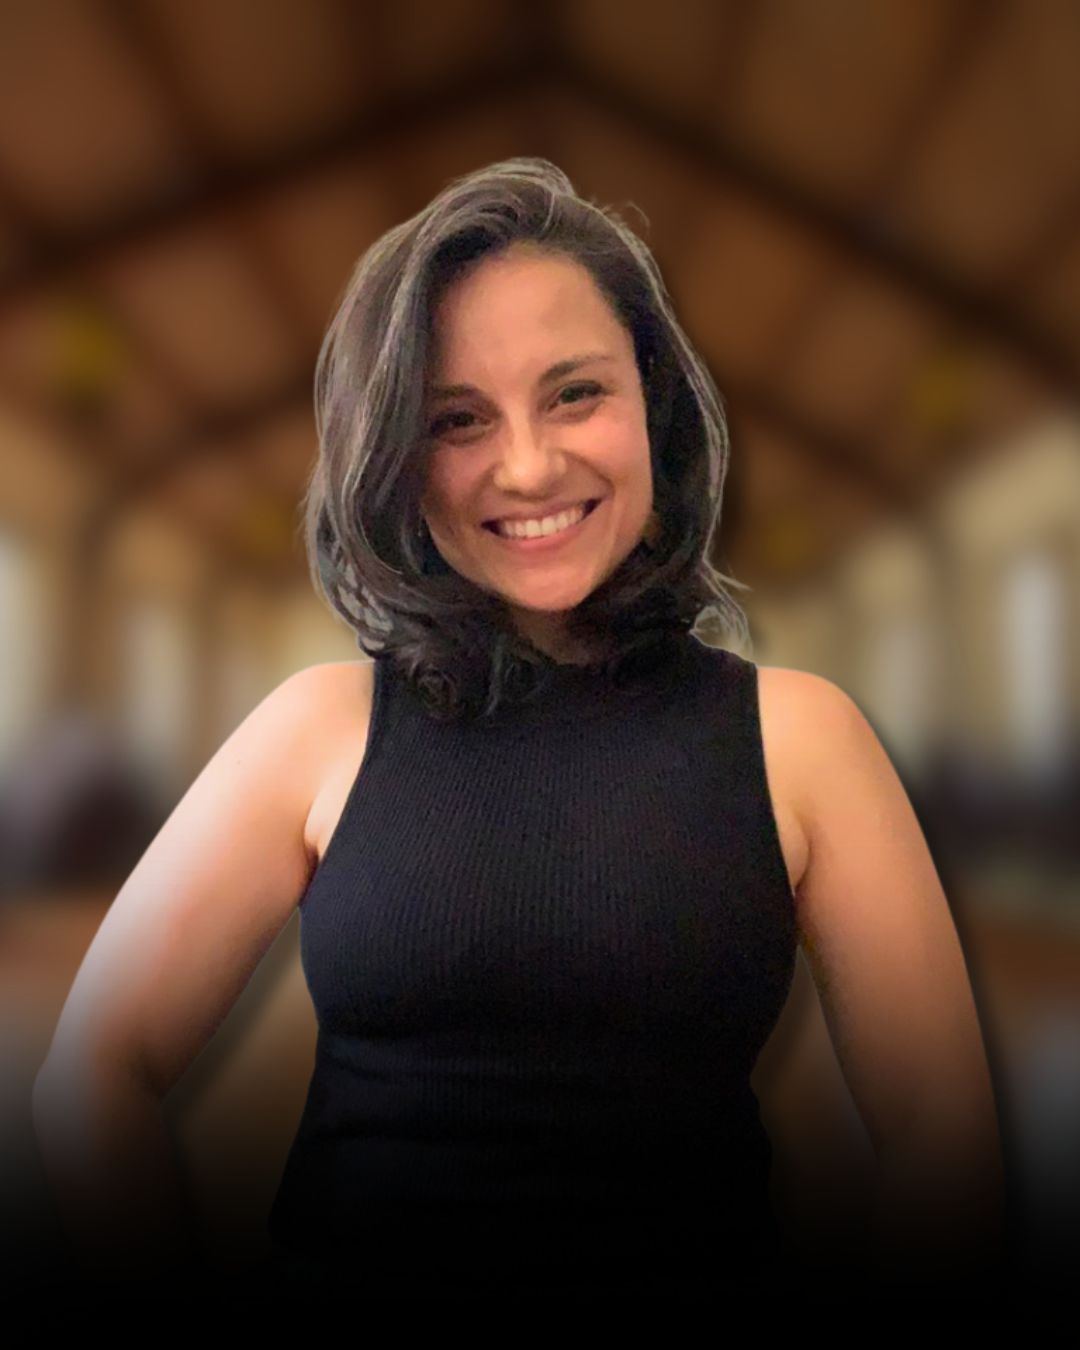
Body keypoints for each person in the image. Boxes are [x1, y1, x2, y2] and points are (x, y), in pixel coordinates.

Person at [31, 157, 1009, 1309]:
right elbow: (93, 1073)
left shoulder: (801, 738)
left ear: (655, 404)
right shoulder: (317, 729)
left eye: (574, 393)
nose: (530, 465)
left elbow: (943, 1132)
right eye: (458, 419)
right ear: (397, 458)